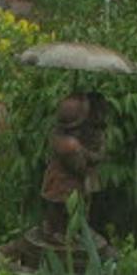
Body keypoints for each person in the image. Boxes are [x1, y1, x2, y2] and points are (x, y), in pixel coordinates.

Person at [39, 91, 106, 242]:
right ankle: (61, 232)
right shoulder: (70, 145)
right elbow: (80, 167)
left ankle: (61, 229)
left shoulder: (59, 135)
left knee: (63, 210)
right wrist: (95, 155)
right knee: (64, 209)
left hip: (58, 182)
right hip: (64, 185)